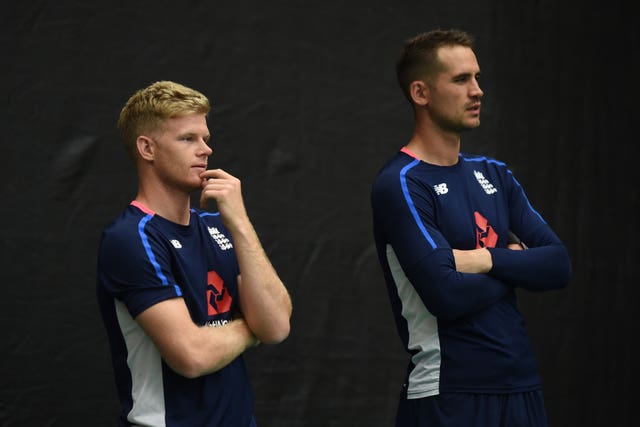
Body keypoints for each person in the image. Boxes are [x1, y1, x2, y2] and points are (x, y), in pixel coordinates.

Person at [370, 29, 571, 427]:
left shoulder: (494, 173)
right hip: (450, 391)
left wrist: (482, 259)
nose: (477, 90)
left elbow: (559, 265)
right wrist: (515, 262)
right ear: (420, 93)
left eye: (477, 78)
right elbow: (446, 294)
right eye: (461, 80)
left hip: (521, 386)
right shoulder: (402, 182)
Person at [96, 80, 292, 427]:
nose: (205, 150)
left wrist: (242, 224)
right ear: (147, 148)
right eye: (188, 139)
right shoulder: (132, 238)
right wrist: (252, 328)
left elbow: (276, 325)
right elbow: (192, 355)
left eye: (205, 139)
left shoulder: (221, 225)